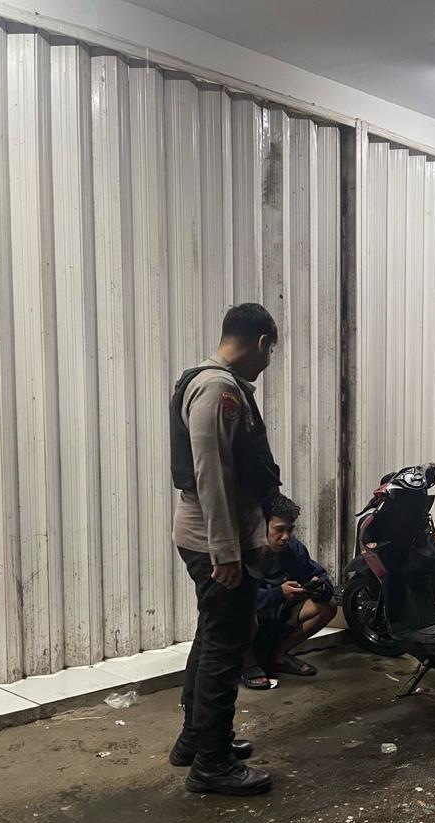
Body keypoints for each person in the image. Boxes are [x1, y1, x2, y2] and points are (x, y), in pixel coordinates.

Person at [169, 302, 282, 796]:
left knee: (214, 635)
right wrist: (226, 552)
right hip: (216, 539)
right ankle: (211, 764)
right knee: (225, 647)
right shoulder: (218, 389)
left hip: (212, 535)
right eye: (270, 353)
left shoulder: (210, 382)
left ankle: (196, 739)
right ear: (261, 343)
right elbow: (210, 476)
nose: (268, 363)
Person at [242, 494, 340, 690]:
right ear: (262, 527)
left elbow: (318, 574)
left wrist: (320, 588)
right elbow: (238, 599)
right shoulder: (245, 553)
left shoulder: (293, 548)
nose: (285, 536)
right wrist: (278, 593)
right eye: (279, 530)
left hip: (280, 615)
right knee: (241, 614)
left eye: (290, 529)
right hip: (252, 620)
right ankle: (247, 665)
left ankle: (279, 656)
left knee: (327, 606)